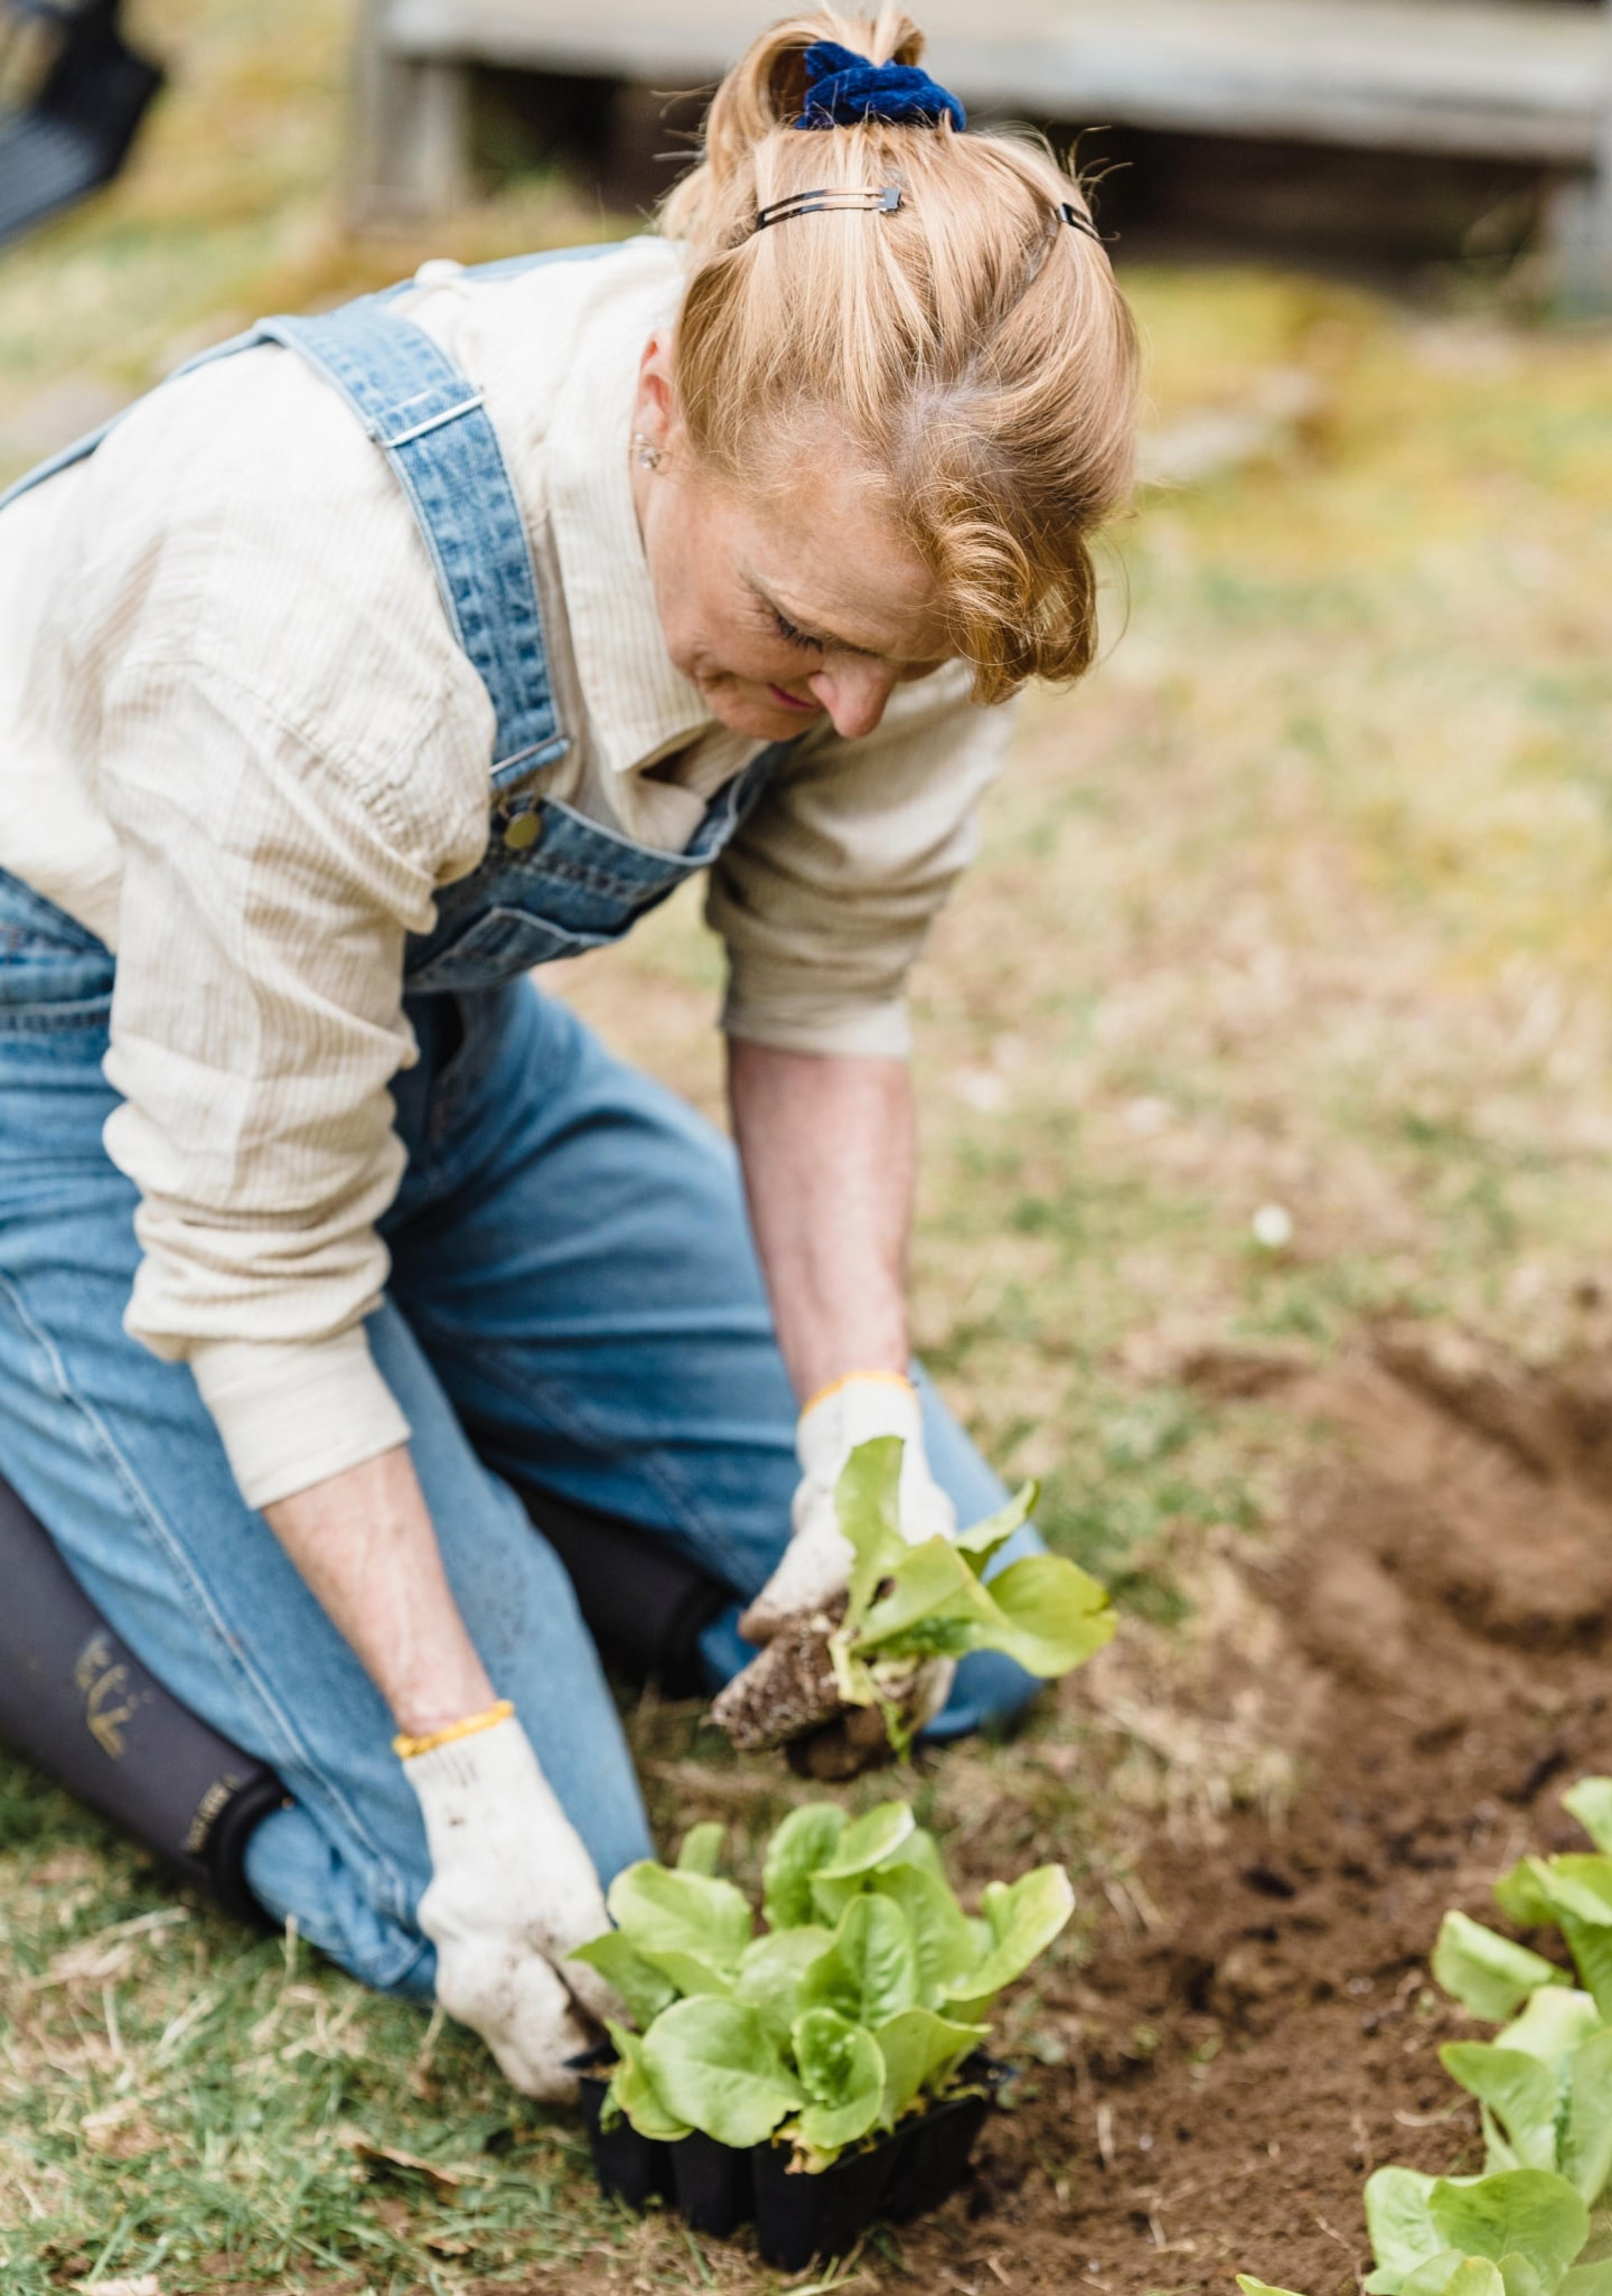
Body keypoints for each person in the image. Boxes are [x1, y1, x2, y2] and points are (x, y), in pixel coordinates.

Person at [0, 8, 1137, 2099]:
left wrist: (853, 1433)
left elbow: (825, 989)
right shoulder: (316, 605)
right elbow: (255, 1266)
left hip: (418, 1044)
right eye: (804, 636)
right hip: (64, 1060)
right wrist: (458, 1751)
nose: (854, 717)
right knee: (564, 1902)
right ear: (656, 404)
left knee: (935, 1643)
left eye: (912, 665)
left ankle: (426, 1422)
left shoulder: (922, 532)